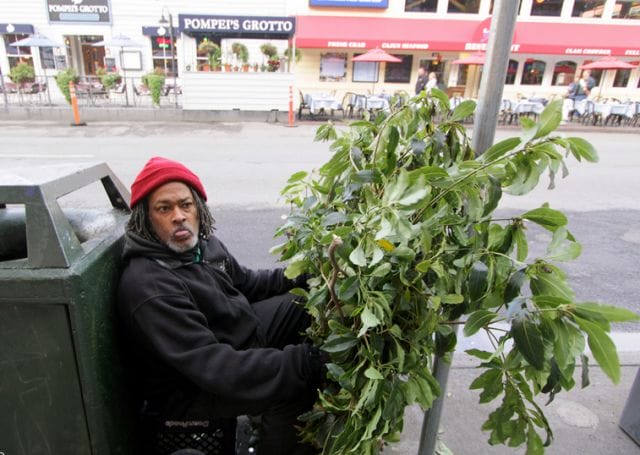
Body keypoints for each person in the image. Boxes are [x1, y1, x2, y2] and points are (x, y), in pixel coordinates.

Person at [117, 157, 325, 455]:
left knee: (303, 304)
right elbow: (216, 366)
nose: (179, 216)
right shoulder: (149, 286)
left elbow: (248, 283)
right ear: (145, 220)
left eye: (185, 205)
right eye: (164, 209)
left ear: (198, 209)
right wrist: (306, 361)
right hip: (196, 388)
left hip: (237, 336)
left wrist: (303, 275)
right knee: (295, 385)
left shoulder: (202, 246)